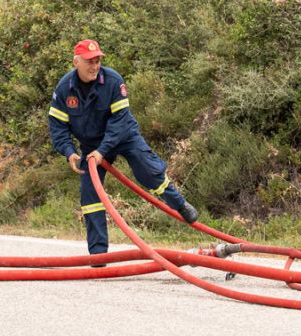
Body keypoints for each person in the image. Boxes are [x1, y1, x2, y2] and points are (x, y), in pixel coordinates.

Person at [47, 39, 199, 257]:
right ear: (76, 62)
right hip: (91, 146)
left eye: (98, 60)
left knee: (149, 171)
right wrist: (69, 151)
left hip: (124, 137)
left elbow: (119, 122)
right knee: (90, 196)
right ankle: (99, 255)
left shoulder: (113, 81)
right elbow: (57, 126)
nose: (95, 66)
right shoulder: (64, 89)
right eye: (90, 61)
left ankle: (180, 204)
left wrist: (103, 151)